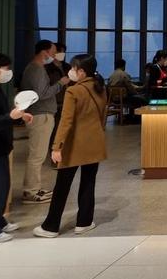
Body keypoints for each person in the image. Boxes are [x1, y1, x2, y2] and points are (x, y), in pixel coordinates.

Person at [33, 54, 107, 238]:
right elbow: (102, 116)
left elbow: (66, 122)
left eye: (74, 68)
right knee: (88, 182)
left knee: (62, 185)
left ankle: (51, 226)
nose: (71, 71)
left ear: (81, 72)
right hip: (94, 142)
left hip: (73, 144)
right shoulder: (100, 88)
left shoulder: (73, 91)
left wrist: (56, 147)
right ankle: (84, 222)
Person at [20, 40, 70, 204]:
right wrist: (60, 84)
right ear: (44, 53)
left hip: (41, 114)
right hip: (40, 115)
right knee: (37, 155)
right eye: (53, 52)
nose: (55, 56)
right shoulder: (37, 69)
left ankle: (34, 188)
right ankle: (31, 191)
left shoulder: (36, 68)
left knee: (39, 155)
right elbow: (42, 93)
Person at [0, 53, 33, 243]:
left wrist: (19, 116)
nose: (8, 72)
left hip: (1, 147)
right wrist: (11, 117)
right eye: (6, 69)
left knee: (3, 186)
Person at [45, 42, 71, 151]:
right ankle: (54, 151)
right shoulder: (47, 68)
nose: (62, 54)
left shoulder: (67, 67)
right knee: (55, 129)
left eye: (64, 52)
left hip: (68, 100)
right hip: (55, 101)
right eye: (60, 51)